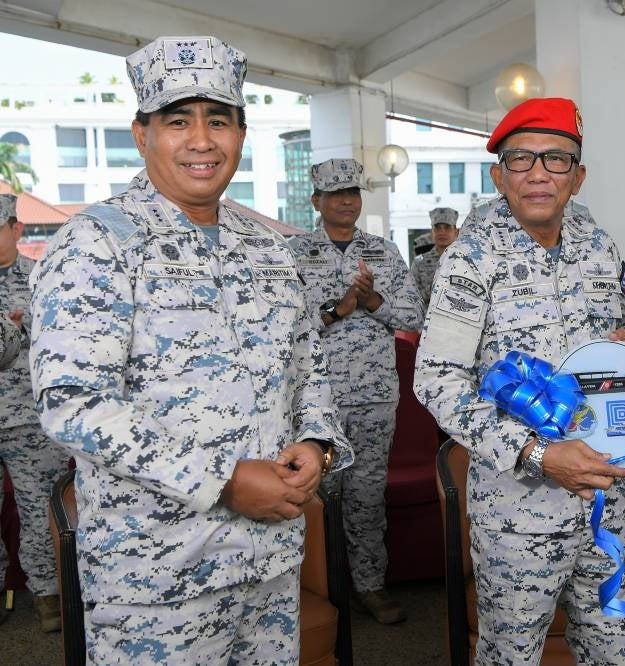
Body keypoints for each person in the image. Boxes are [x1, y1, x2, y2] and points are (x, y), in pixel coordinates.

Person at [29, 36, 352, 663]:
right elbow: (74, 405)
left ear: (241, 133)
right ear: (141, 133)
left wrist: (317, 444)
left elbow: (309, 370)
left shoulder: (268, 250)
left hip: (269, 563)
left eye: (219, 120)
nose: (202, 140)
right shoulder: (96, 245)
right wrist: (224, 482)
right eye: (178, 120)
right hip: (158, 580)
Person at [414, 97, 625, 665]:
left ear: (578, 176)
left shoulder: (598, 245)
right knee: (511, 656)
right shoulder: (470, 259)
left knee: (614, 650)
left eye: (556, 159)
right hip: (517, 510)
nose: (539, 173)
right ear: (499, 174)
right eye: (521, 159)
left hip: (607, 492)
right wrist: (538, 453)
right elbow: (437, 381)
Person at [288, 158, 424, 624]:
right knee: (314, 495)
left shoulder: (383, 251)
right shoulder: (294, 253)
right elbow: (284, 327)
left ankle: (370, 585)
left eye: (353, 193)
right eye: (336, 193)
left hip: (374, 395)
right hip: (316, 400)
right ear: (316, 202)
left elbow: (412, 315)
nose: (347, 200)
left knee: (367, 494)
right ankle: (320, 590)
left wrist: (372, 301)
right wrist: (340, 307)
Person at [0, 193, 65, 631]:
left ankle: (49, 597)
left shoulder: (44, 279)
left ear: (16, 229)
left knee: (40, 508)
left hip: (28, 418)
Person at [410, 206, 460, 307]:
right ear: (431, 232)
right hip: (428, 320)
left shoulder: (466, 260)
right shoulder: (419, 263)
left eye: (447, 227)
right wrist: (434, 287)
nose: (442, 232)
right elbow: (412, 298)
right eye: (437, 228)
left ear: (456, 231)